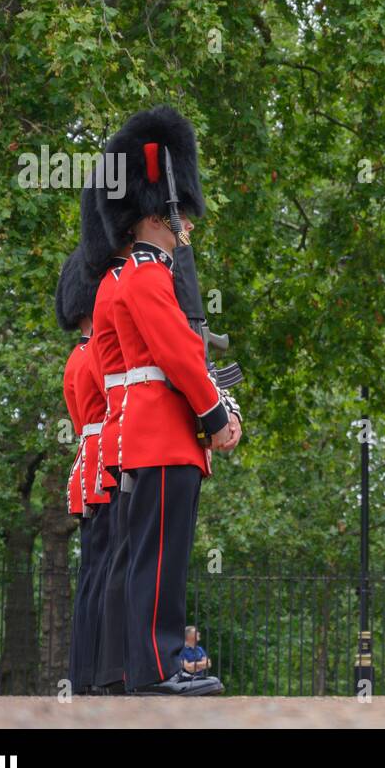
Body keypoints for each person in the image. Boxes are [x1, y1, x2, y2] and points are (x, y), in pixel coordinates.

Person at [97, 105, 242, 696]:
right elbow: (180, 359)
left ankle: (139, 669)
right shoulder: (149, 276)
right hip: (165, 436)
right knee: (160, 562)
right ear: (161, 212)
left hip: (155, 435)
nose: (185, 227)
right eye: (179, 216)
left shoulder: (138, 274)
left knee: (146, 559)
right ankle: (158, 670)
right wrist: (217, 417)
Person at [80, 176, 133, 694]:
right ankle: (112, 671)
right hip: (119, 443)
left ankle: (97, 669)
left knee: (103, 568)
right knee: (118, 561)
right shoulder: (118, 296)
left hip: (103, 451)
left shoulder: (84, 348)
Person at [57, 247, 108, 695]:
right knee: (105, 571)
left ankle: (86, 673)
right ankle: (97, 674)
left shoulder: (77, 355)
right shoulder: (95, 353)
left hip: (88, 462)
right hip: (105, 461)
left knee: (94, 572)